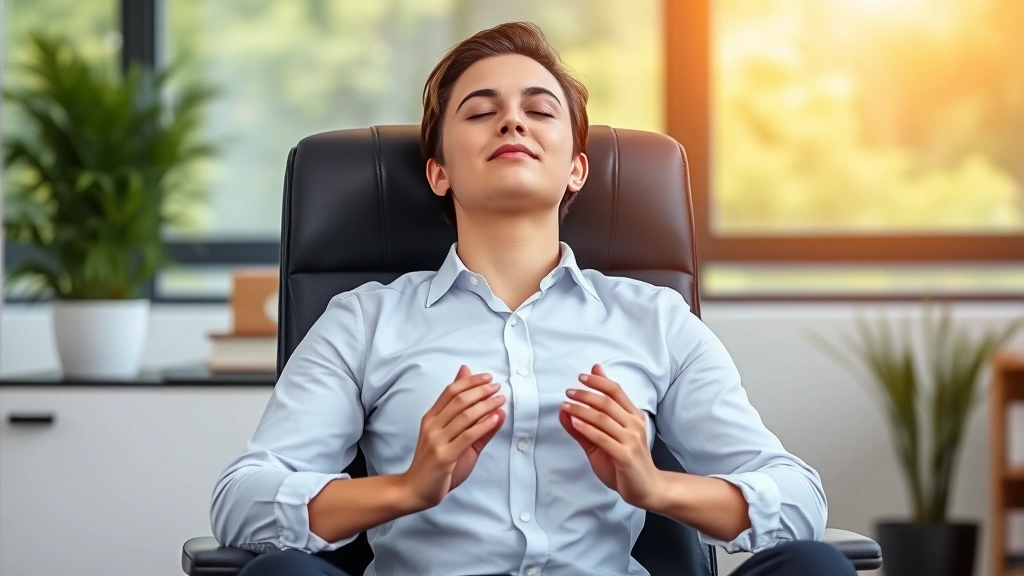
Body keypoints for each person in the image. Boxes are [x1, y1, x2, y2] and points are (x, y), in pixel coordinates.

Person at [211, 21, 855, 576]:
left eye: (539, 109)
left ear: (576, 167)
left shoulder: (655, 320)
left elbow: (798, 497)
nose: (512, 119)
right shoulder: (363, 321)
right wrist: (405, 489)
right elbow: (242, 499)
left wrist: (654, 485)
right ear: (439, 171)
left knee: (815, 565)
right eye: (480, 110)